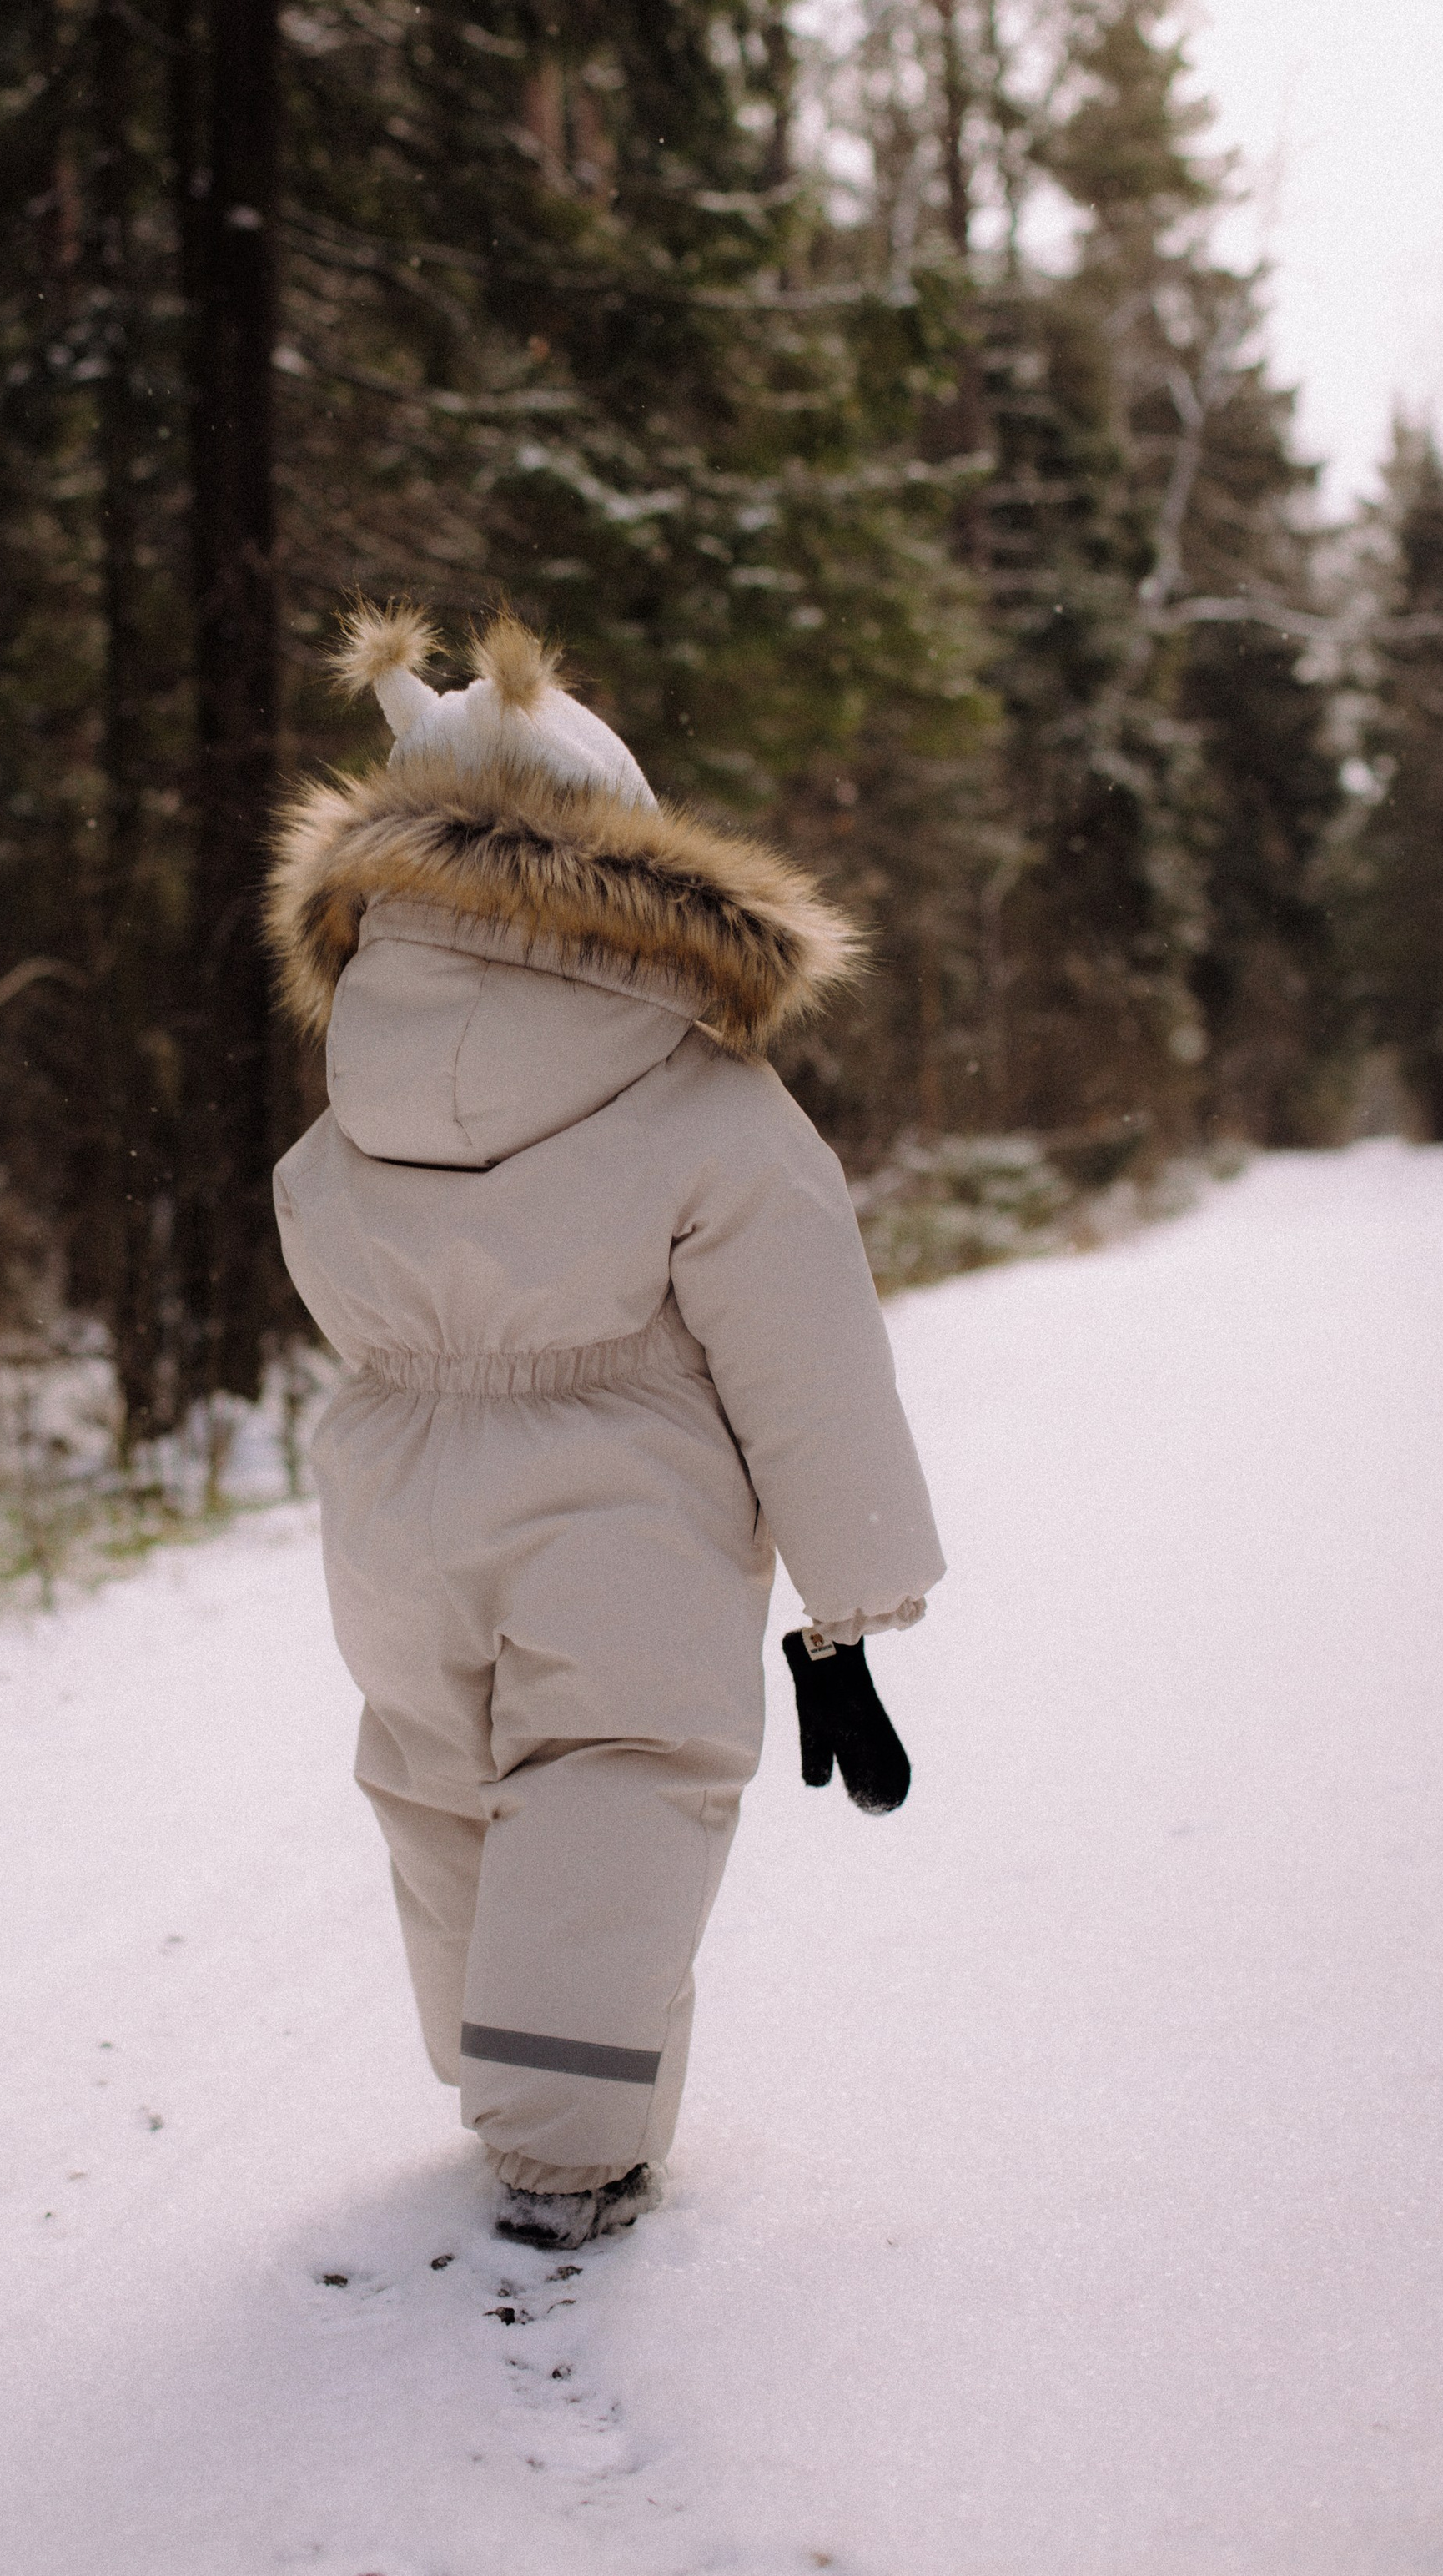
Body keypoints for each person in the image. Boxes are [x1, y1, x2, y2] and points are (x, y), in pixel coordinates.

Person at [268, 605, 945, 2251]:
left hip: (393, 1510)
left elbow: (311, 1237)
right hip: (619, 1510)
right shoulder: (696, 1087)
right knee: (611, 1787)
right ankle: (563, 2142)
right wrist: (847, 1597)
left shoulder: (356, 1081)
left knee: (439, 1781)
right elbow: (802, 1338)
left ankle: (487, 2058)